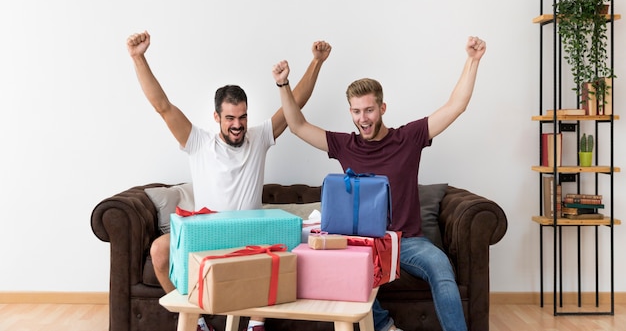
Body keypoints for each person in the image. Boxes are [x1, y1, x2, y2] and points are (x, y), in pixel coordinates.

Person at [271, 36, 486, 331]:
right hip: (364, 244)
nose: (363, 118)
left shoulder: (408, 138)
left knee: (441, 268)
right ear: (350, 112)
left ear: (382, 108)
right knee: (339, 268)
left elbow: (455, 106)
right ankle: (385, 326)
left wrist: (473, 60)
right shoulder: (344, 145)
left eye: (369, 110)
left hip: (407, 242)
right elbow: (296, 125)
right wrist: (283, 85)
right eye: (357, 112)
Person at [127, 31, 331, 331]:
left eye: (243, 117)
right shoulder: (197, 141)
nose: (237, 125)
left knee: (288, 247)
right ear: (217, 117)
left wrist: (316, 62)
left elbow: (295, 103)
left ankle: (256, 323)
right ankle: (196, 321)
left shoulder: (259, 137)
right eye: (230, 119)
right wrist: (138, 57)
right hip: (208, 232)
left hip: (250, 233)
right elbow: (163, 106)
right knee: (159, 251)